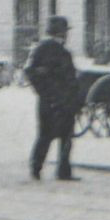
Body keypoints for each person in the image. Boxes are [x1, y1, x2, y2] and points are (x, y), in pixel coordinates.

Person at [24, 15, 80, 181]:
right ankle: (59, 171)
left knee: (49, 135)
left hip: (52, 101)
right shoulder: (54, 50)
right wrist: (50, 93)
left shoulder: (42, 49)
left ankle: (39, 168)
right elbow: (34, 73)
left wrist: (43, 92)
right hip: (58, 101)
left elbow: (30, 72)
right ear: (61, 33)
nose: (67, 35)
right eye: (65, 31)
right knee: (60, 136)